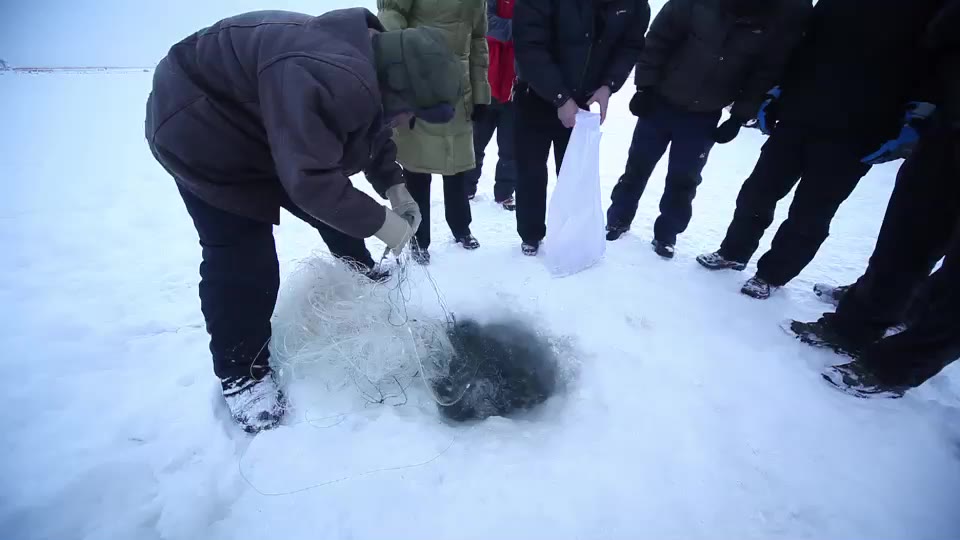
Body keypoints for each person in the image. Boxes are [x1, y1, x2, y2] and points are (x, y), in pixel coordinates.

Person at [145, 8, 462, 432]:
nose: (409, 123)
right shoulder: (326, 74)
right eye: (412, 113)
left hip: (261, 120)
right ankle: (242, 374)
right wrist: (383, 223)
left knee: (335, 209)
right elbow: (311, 183)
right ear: (398, 85)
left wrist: (394, 186)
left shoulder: (374, 62)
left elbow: (374, 128)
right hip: (197, 119)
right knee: (243, 255)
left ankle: (362, 272)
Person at [696, 0, 947, 299]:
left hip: (860, 131)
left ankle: (772, 274)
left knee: (810, 211)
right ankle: (733, 252)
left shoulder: (927, 9)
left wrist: (916, 120)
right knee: (757, 191)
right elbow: (804, 43)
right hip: (800, 113)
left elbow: (935, 69)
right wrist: (778, 90)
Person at [786, 0, 960, 398]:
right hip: (947, 124)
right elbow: (938, 35)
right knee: (907, 234)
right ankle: (858, 323)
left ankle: (896, 366)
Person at [605, 0, 811, 259]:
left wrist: (738, 117)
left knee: (684, 179)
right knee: (637, 166)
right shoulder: (695, 4)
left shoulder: (769, 20)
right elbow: (658, 40)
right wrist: (644, 86)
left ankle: (667, 233)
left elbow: (762, 75)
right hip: (659, 102)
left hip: (703, 116)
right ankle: (618, 218)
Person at [513, 0, 650, 256]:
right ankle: (531, 233)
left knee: (575, 173)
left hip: (584, 99)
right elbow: (529, 45)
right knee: (531, 170)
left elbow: (630, 44)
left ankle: (570, 235)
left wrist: (609, 84)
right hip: (536, 93)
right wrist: (560, 97)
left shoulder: (634, 4)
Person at [378, 0, 491, 265]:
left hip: (460, 90)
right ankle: (419, 238)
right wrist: (403, 77)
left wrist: (481, 94)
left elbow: (478, 40)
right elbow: (390, 22)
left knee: (458, 168)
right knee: (417, 169)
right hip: (420, 84)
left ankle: (461, 227)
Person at [464, 0, 518, 211]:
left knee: (510, 148)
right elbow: (487, 24)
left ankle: (505, 192)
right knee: (475, 143)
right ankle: (467, 188)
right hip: (487, 83)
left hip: (515, 87)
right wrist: (521, 27)